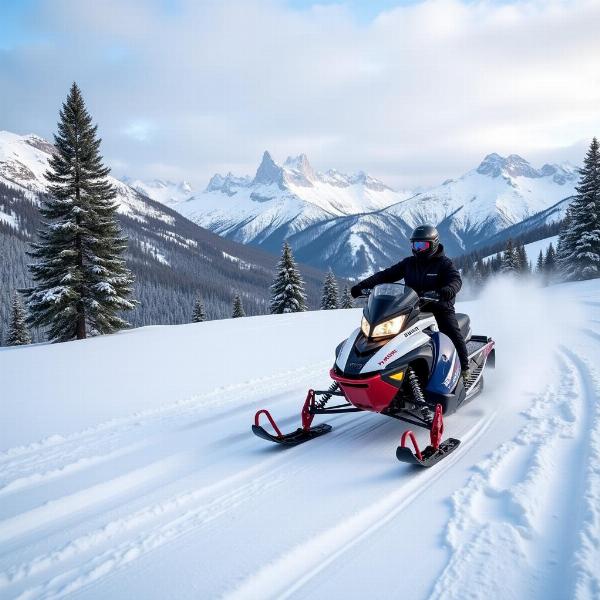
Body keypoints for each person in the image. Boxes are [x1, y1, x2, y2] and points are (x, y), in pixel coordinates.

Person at [350, 224, 470, 380]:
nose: (418, 249)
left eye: (422, 245)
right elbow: (385, 275)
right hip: (413, 307)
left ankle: (464, 368)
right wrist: (362, 286)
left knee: (451, 332)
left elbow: (455, 280)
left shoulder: (444, 264)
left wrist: (446, 291)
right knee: (390, 334)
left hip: (439, 307)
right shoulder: (409, 263)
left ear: (433, 244)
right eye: (415, 244)